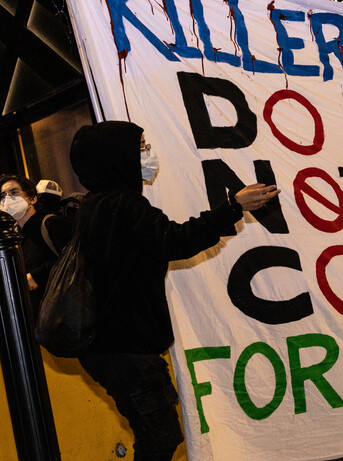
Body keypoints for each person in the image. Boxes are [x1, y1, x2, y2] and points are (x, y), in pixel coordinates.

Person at [69, 120, 279, 460]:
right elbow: (176, 240)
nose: (148, 155)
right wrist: (233, 207)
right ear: (116, 157)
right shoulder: (124, 207)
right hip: (125, 347)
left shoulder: (95, 206)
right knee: (160, 437)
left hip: (110, 346)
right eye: (139, 149)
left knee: (157, 435)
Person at [0, 174, 72, 314]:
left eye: (14, 192)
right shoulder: (15, 237)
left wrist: (36, 276)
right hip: (40, 317)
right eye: (2, 196)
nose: (7, 199)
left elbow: (73, 259)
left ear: (33, 198)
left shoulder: (51, 224)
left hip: (64, 312)